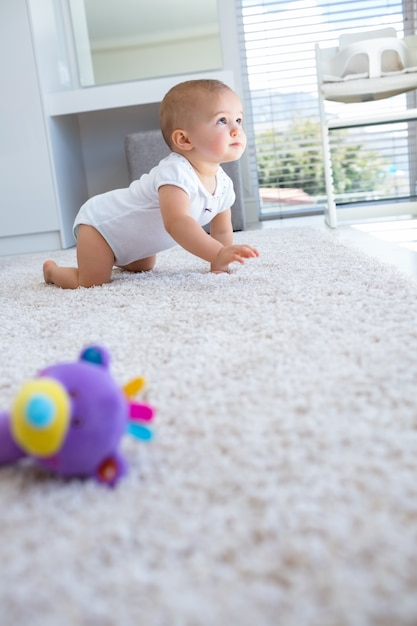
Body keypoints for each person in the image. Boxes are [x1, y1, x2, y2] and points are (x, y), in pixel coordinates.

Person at [43, 79, 259, 289]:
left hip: (133, 241)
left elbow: (221, 230)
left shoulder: (223, 184)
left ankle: (114, 257)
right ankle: (53, 272)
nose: (236, 129)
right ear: (184, 140)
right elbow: (177, 223)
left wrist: (219, 265)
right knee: (92, 282)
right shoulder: (175, 173)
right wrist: (217, 252)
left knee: (143, 266)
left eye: (238, 120)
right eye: (222, 120)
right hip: (100, 226)